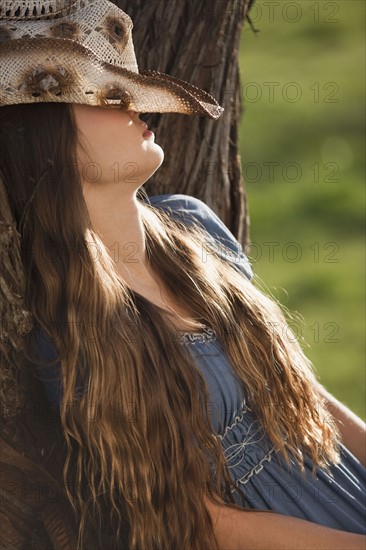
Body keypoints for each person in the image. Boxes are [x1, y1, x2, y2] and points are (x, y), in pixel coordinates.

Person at [0, 1, 365, 549]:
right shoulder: (71, 328)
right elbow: (207, 522)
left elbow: (306, 398)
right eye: (103, 93)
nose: (136, 104)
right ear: (45, 135)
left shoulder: (195, 226)